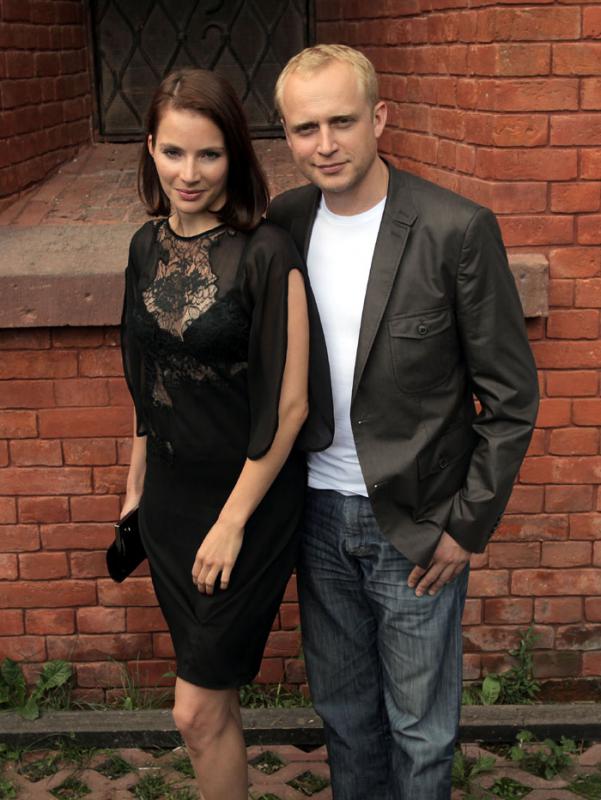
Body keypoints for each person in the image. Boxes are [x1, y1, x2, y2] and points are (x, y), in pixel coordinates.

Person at [268, 44, 539, 800]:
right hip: (314, 515)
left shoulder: (455, 229)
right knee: (345, 718)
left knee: (421, 732)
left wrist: (466, 526)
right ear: (286, 135)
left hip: (417, 527)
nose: (325, 144)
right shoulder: (285, 223)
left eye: (342, 122)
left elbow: (511, 397)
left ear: (379, 118)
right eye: (305, 128)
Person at [119, 67, 332, 800]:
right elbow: (146, 381)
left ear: (234, 156)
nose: (190, 173)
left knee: (194, 711)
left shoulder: (266, 252)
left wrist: (233, 522)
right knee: (213, 708)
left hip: (247, 503)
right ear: (151, 149)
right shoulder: (143, 247)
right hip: (171, 505)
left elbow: (291, 407)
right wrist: (134, 491)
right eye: (174, 152)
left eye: (208, 154)